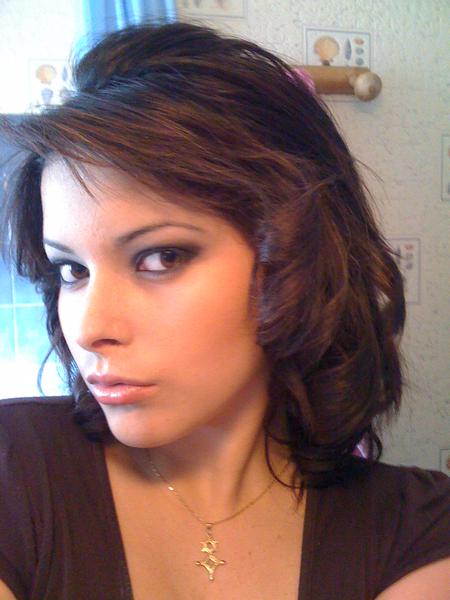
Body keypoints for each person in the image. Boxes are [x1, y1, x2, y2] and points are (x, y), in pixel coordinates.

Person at [0, 22, 448, 600]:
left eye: (161, 257)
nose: (89, 329)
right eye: (72, 271)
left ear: (298, 260)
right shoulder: (14, 469)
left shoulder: (413, 530)